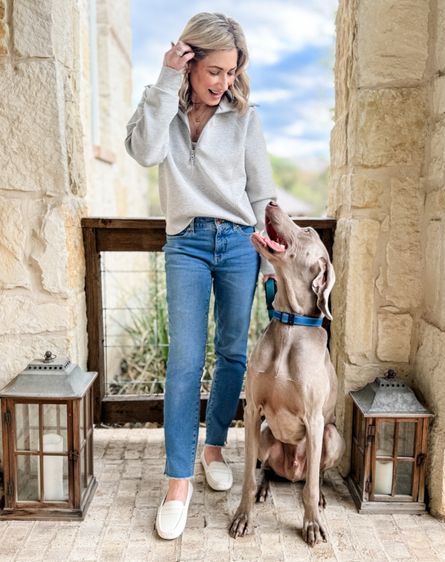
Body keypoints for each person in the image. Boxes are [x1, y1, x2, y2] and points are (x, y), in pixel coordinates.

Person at [125, 12, 276, 540]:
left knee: (233, 351)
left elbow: (260, 193)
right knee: (185, 361)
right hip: (185, 243)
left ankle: (214, 447)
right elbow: (143, 152)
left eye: (231, 72)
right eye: (213, 71)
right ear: (189, 61)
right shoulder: (163, 103)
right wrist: (167, 81)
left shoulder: (245, 118)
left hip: (238, 243)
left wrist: (274, 251)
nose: (222, 83)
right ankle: (177, 482)